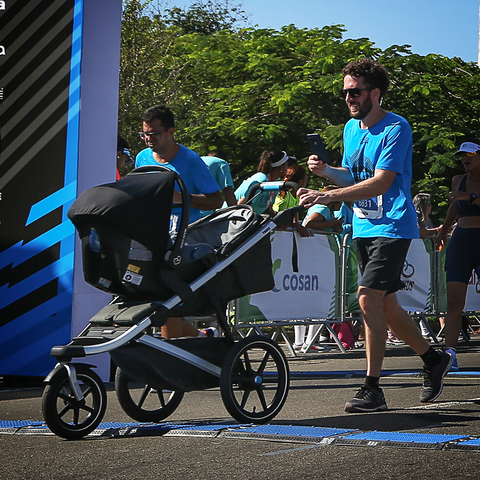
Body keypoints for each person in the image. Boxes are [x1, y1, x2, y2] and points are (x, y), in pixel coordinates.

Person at [297, 58, 453, 413]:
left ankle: (372, 389)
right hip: (362, 226)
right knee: (387, 304)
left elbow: (382, 181)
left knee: (367, 297)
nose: (349, 98)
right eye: (345, 92)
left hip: (393, 225)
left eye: (355, 92)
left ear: (375, 93)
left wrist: (329, 196)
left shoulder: (397, 127)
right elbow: (353, 178)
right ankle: (433, 360)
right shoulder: (352, 129)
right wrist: (327, 173)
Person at [135, 105, 223, 339]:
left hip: (181, 240)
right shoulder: (142, 158)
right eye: (144, 134)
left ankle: (172, 357)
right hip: (150, 238)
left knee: (168, 303)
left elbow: (216, 199)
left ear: (170, 131)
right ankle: (203, 339)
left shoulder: (191, 160)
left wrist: (182, 198)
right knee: (153, 302)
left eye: (153, 133)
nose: (148, 139)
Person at [437, 139, 480, 372]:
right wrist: (443, 229)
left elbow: (462, 199)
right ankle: (449, 354)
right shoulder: (457, 181)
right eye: (462, 155)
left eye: (470, 154)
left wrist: (470, 198)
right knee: (454, 302)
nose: (465, 158)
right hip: (461, 241)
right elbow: (454, 206)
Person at [234, 150, 290, 214]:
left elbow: (267, 209)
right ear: (280, 167)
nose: (287, 168)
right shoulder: (261, 181)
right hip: (231, 219)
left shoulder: (275, 183)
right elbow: (240, 206)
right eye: (287, 165)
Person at [272, 164, 310, 237]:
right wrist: (296, 226)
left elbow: (295, 217)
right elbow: (276, 215)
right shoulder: (283, 195)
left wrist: (297, 225)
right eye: (306, 177)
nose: (307, 178)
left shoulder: (298, 196)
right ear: (301, 181)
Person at [200, 150, 237, 217]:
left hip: (182, 209)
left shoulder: (197, 159)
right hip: (203, 213)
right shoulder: (221, 163)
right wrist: (237, 214)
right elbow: (228, 194)